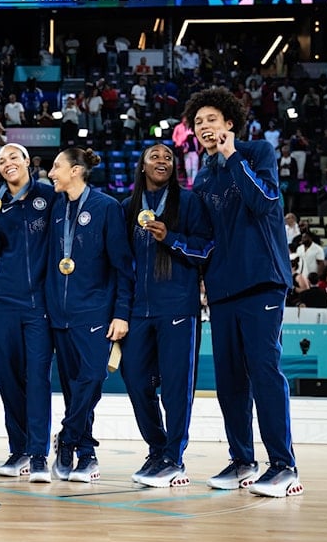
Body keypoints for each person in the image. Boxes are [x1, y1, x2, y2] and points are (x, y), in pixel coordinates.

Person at [183, 86, 303, 498]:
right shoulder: (202, 176)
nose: (204, 127)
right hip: (222, 289)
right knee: (231, 381)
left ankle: (284, 465)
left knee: (264, 372)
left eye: (211, 119)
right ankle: (242, 460)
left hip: (262, 281)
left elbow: (264, 201)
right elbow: (204, 236)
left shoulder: (256, 154)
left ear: (229, 123)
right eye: (198, 122)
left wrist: (233, 155)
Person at [121, 144, 213, 488]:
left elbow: (206, 248)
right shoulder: (126, 208)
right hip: (137, 310)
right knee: (136, 382)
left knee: (175, 387)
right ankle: (157, 447)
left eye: (168, 158)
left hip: (177, 307)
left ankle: (174, 458)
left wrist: (170, 238)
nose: (162, 161)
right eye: (154, 156)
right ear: (142, 166)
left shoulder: (188, 203)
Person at [45, 147, 133, 482]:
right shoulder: (55, 208)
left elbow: (123, 266)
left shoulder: (106, 207)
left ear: (76, 170)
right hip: (59, 314)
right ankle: (85, 452)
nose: (51, 173)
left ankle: (67, 436)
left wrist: (121, 312)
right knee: (72, 386)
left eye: (57, 167)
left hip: (95, 311)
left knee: (92, 378)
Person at [0, 143, 56, 483]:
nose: (7, 164)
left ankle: (38, 454)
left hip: (39, 303)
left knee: (37, 378)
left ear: (28, 162)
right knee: (8, 378)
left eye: (13, 157)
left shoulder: (49, 197)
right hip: (4, 302)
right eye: (1, 160)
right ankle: (18, 449)